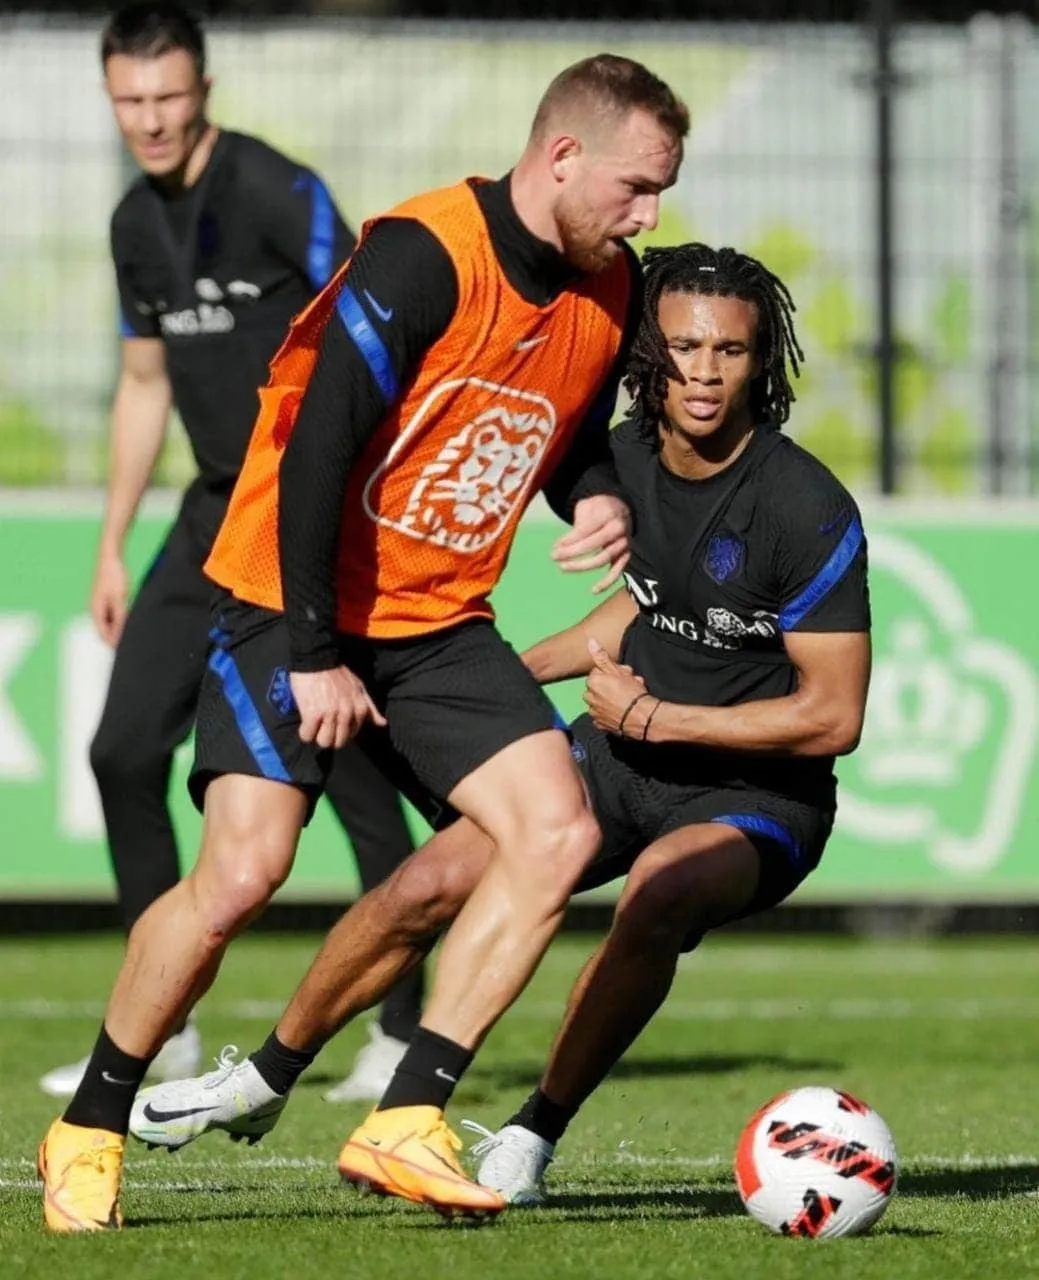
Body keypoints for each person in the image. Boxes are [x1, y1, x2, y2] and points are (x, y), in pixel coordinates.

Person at [37, 52, 689, 1232]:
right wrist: (315, 648)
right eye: (637, 188)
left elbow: (576, 424)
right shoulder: (425, 251)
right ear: (562, 156)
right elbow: (315, 447)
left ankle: (406, 1113)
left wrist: (595, 494)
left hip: (437, 623)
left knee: (557, 828)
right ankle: (87, 1123)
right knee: (241, 874)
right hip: (289, 600)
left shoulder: (610, 287)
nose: (648, 215)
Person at [128, 241, 871, 1211]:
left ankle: (530, 1131)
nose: (702, 370)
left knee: (657, 889)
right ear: (650, 351)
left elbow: (832, 713)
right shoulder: (622, 459)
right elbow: (653, 607)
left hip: (753, 793)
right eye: (683, 346)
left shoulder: (803, 505)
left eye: (729, 351)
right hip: (617, 752)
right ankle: (266, 1074)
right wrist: (499, 679)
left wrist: (657, 711)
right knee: (425, 879)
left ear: (760, 360)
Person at [38, 1, 423, 1110]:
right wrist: (113, 543)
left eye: (166, 97)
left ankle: (399, 1026)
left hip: (306, 517)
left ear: (203, 90)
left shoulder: (275, 192)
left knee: (349, 762)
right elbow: (147, 382)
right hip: (208, 515)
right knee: (120, 753)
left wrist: (361, 500)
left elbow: (372, 324)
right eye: (129, 102)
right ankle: (161, 1024)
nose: (149, 121)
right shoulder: (130, 223)